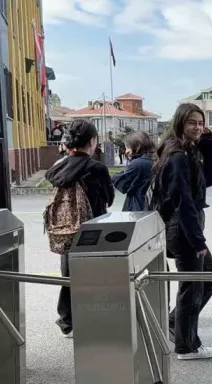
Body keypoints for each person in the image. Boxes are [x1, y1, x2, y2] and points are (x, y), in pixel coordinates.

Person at [151, 103, 212, 360]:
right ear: (180, 122)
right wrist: (197, 240)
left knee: (208, 279)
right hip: (181, 227)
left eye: (201, 123)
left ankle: (177, 325)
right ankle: (187, 346)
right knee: (193, 285)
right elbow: (183, 200)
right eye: (192, 122)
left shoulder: (187, 150)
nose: (198, 127)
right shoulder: (177, 155)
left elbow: (210, 179)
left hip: (185, 225)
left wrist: (208, 143)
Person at [45, 119, 115, 338]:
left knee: (69, 275)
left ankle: (67, 321)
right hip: (93, 229)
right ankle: (92, 317)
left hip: (66, 229)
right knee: (94, 275)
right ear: (92, 141)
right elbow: (109, 198)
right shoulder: (97, 168)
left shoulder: (58, 167)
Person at [112, 131, 155, 211]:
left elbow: (119, 180)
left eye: (127, 147)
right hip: (152, 208)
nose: (126, 151)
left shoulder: (138, 164)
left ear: (136, 145)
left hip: (138, 208)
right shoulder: (155, 160)